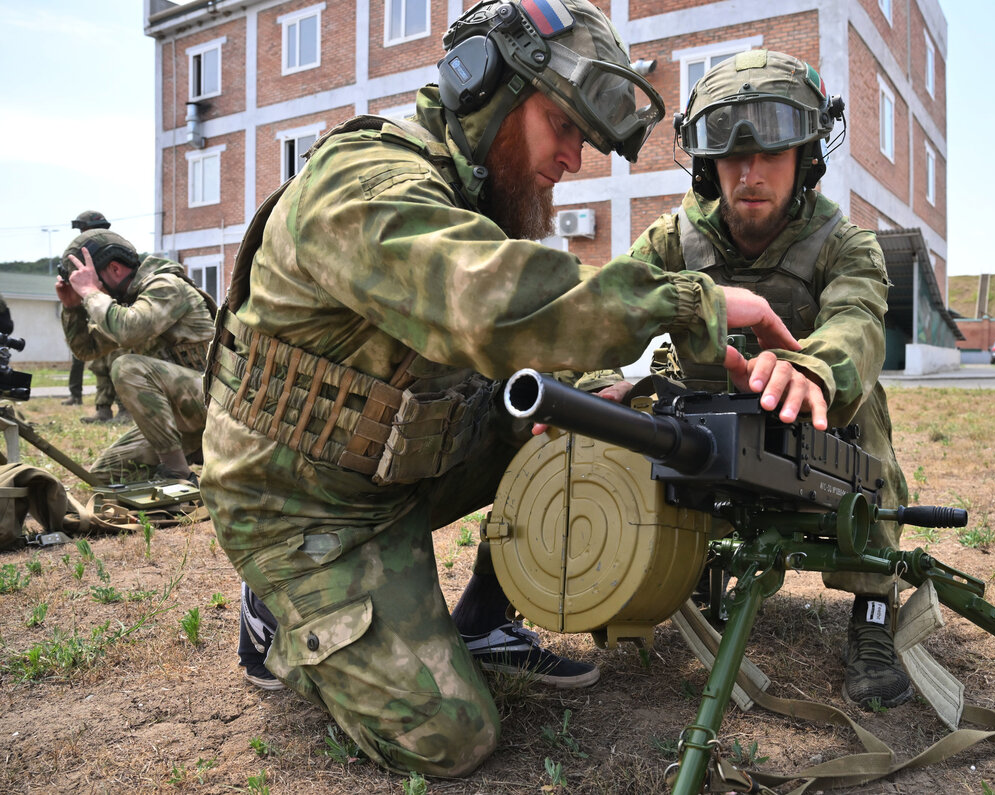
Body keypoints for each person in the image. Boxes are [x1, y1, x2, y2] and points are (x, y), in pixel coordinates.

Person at [201, 0, 807, 778]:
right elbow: (492, 302)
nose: (572, 159)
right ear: (488, 90)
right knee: (449, 737)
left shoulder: (475, 198)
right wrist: (689, 301)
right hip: (299, 500)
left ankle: (483, 617)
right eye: (562, 127)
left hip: (391, 466)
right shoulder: (365, 184)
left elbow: (523, 353)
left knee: (587, 416)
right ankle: (276, 604)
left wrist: (601, 393)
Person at [596, 51, 912, 711]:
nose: (750, 173)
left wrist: (813, 367)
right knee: (634, 399)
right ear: (707, 164)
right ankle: (666, 573)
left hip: (818, 422)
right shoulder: (671, 241)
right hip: (707, 424)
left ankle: (874, 607)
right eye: (731, 155)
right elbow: (600, 309)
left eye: (771, 152)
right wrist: (599, 381)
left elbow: (857, 320)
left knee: (870, 406)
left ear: (805, 156)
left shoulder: (841, 244)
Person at [57, 229, 216, 484]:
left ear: (115, 269)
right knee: (105, 475)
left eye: (91, 278)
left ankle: (178, 474)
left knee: (127, 366)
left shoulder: (165, 286)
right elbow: (86, 350)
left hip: (216, 401)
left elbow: (128, 330)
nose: (88, 287)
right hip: (178, 416)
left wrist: (90, 293)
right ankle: (199, 452)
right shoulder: (125, 305)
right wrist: (72, 308)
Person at [66, 211, 128, 420]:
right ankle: (103, 408)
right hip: (95, 314)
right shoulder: (84, 255)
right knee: (100, 365)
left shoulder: (110, 250)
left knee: (118, 361)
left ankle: (125, 409)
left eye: (85, 229)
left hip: (113, 314)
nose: (83, 233)